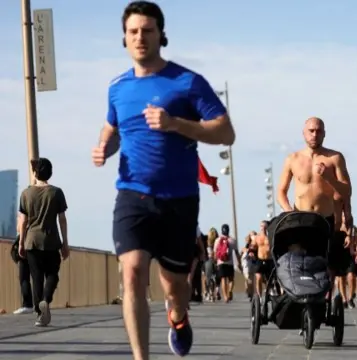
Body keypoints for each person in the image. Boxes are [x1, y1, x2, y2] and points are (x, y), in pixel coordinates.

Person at [90, 2, 235, 358]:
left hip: (179, 198)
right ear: (124, 38)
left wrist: (176, 124)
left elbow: (226, 132)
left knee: (175, 287)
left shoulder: (187, 82)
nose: (140, 37)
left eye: (147, 30)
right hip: (132, 193)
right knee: (132, 272)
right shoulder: (117, 87)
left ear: (161, 35)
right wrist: (103, 148)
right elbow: (113, 126)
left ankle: (178, 316)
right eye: (133, 31)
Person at [276, 117, 353, 313]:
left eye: (318, 131)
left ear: (324, 133)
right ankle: (298, 298)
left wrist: (328, 177)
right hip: (300, 220)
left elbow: (345, 191)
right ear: (304, 133)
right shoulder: (293, 159)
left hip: (325, 220)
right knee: (298, 262)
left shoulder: (334, 158)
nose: (314, 134)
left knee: (326, 265)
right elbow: (281, 192)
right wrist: (288, 211)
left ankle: (323, 301)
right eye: (311, 130)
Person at [17, 158, 69, 327]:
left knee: (36, 278)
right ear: (50, 173)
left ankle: (40, 315)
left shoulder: (26, 194)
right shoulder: (56, 193)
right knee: (52, 274)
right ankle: (46, 299)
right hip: (51, 241)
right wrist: (65, 243)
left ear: (35, 173)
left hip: (31, 241)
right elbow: (62, 219)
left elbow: (23, 221)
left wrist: (21, 243)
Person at [213, 224, 242, 303]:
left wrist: (215, 262)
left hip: (220, 262)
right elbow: (236, 253)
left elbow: (215, 253)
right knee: (231, 279)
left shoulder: (217, 240)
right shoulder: (232, 240)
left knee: (223, 279)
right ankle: (230, 290)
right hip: (230, 262)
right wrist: (239, 262)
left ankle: (225, 297)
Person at [11, 235, 33, 315]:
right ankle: (40, 304)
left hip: (27, 243)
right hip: (39, 245)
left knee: (24, 277)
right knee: (38, 276)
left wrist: (20, 244)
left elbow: (21, 225)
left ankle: (28, 305)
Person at [254, 220, 275, 297]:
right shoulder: (257, 237)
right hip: (260, 260)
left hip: (269, 260)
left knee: (269, 279)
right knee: (258, 278)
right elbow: (252, 246)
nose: (263, 228)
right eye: (261, 226)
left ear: (267, 227)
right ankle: (259, 297)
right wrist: (250, 251)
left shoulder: (271, 237)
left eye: (264, 226)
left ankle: (270, 291)